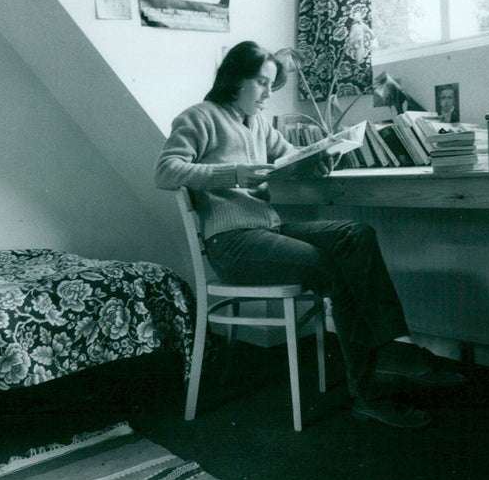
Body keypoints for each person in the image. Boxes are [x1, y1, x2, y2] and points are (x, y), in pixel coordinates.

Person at [155, 41, 465, 429]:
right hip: (232, 244)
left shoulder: (259, 124)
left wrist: (316, 161)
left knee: (356, 236)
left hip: (269, 230)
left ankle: (387, 350)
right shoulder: (199, 117)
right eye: (263, 83)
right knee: (332, 265)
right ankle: (374, 383)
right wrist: (233, 174)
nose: (269, 93)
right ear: (235, 79)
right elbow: (165, 172)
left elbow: (287, 160)